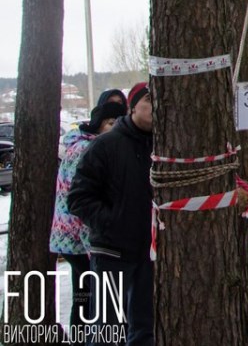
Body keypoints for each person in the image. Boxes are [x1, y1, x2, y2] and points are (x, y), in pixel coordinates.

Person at [68, 82, 154, 345]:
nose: (156, 107)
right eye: (149, 100)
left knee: (145, 328)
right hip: (111, 252)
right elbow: (78, 198)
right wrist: (112, 222)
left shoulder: (162, 147)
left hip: (148, 252)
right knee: (106, 328)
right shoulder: (105, 145)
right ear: (133, 107)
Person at [51, 100, 125, 340]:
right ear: (99, 124)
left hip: (71, 238)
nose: (116, 128)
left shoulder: (81, 144)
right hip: (79, 238)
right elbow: (82, 200)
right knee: (92, 297)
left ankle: (82, 338)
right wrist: (94, 240)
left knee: (83, 295)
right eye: (111, 123)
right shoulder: (89, 149)